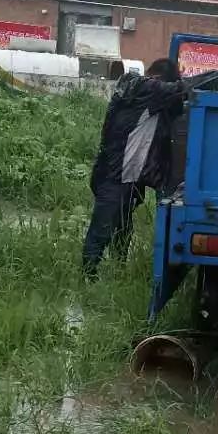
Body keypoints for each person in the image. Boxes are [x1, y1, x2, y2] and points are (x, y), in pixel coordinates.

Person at [82, 57, 186, 278]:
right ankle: (87, 275)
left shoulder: (133, 90)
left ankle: (115, 273)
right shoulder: (146, 88)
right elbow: (183, 89)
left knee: (122, 228)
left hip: (124, 173)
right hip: (118, 173)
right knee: (103, 228)